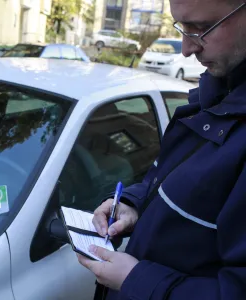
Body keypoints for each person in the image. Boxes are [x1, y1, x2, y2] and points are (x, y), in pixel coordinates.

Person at [76, 0, 246, 299]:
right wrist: (134, 205)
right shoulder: (214, 95)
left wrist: (135, 280)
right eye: (182, 27)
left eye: (202, 28)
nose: (186, 49)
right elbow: (180, 182)